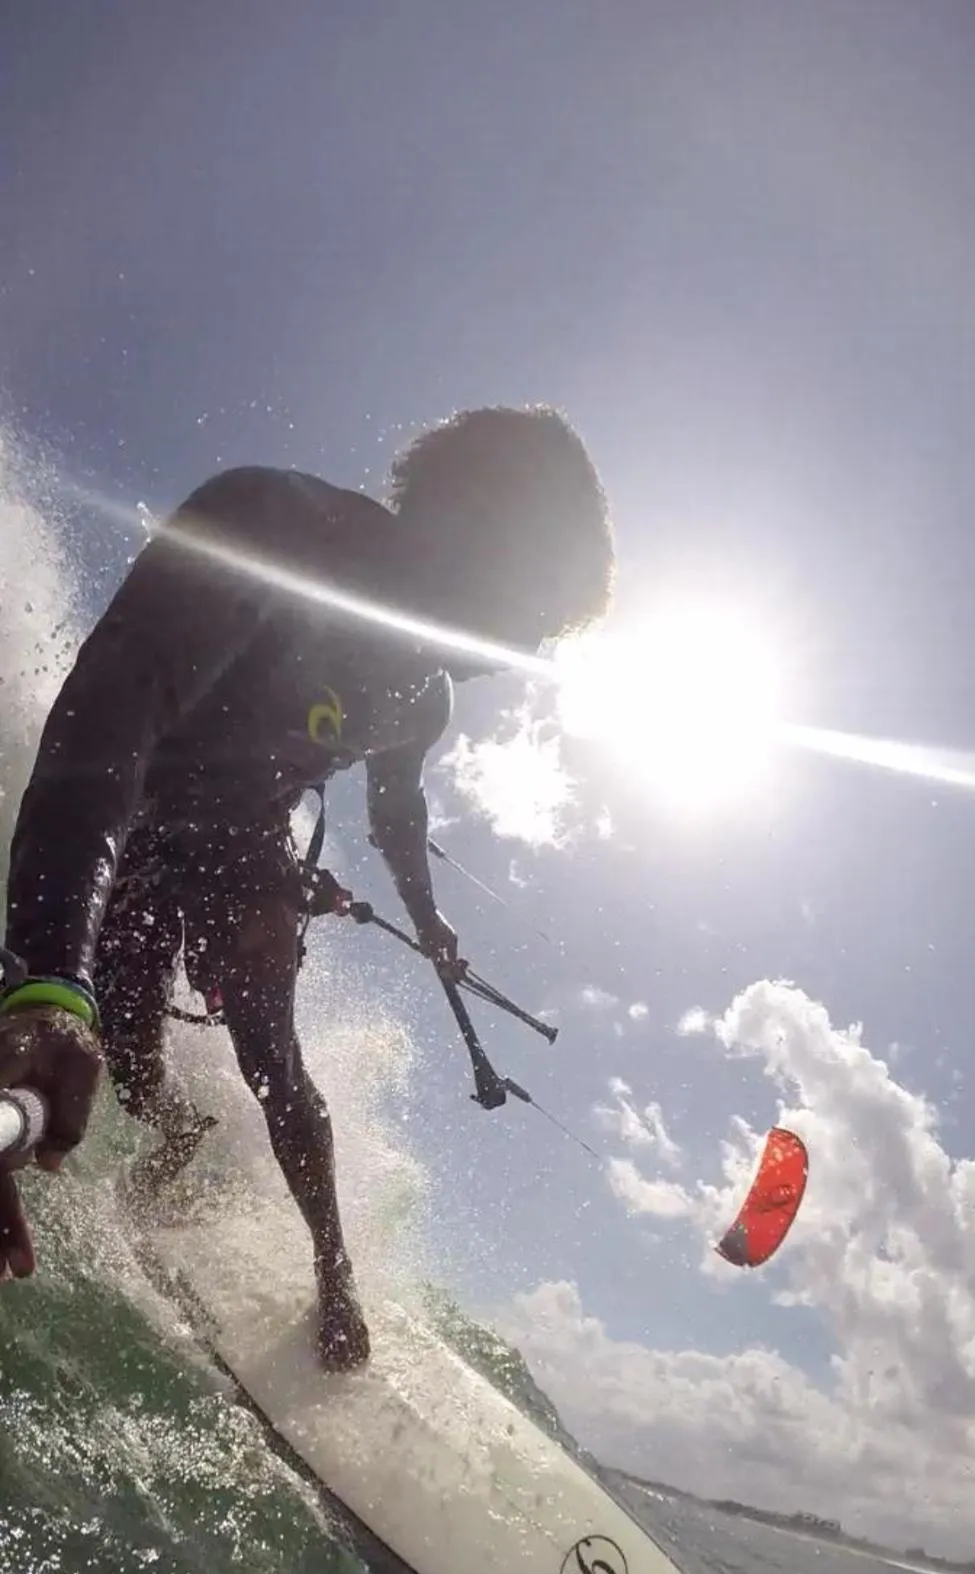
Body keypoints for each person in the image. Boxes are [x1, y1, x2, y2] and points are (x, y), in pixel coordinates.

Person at [0, 406, 614, 1366]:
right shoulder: (275, 526)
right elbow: (107, 726)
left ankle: (335, 1269)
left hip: (250, 851)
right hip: (144, 830)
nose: (515, 655)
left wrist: (430, 919)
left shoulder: (424, 699)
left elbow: (397, 813)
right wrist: (47, 979)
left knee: (273, 1057)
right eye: (526, 614)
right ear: (467, 515)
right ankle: (175, 1128)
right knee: (128, 1053)